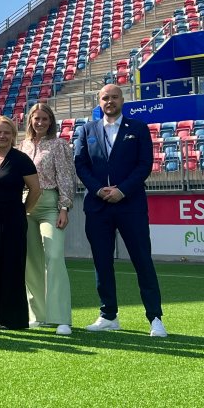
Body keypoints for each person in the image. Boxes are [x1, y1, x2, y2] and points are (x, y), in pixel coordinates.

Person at [74, 84, 167, 337]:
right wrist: (98, 190)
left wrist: (122, 190)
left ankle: (155, 317)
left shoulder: (138, 128)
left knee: (142, 261)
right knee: (102, 263)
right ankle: (108, 315)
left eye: (114, 97)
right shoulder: (86, 130)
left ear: (122, 99)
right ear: (99, 101)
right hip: (97, 207)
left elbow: (144, 165)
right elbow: (80, 165)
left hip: (130, 205)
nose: (110, 101)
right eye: (105, 97)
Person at [0, 115, 41, 330]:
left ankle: (12, 319)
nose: (2, 136)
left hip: (13, 217)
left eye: (7, 132)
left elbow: (35, 190)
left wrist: (22, 210)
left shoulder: (21, 159)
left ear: (13, 136)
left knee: (11, 267)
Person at [18, 103, 74, 335]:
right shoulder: (23, 145)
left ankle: (61, 317)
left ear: (51, 122)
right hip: (25, 205)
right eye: (36, 118)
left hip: (50, 204)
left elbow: (66, 177)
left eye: (44, 119)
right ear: (30, 120)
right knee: (31, 262)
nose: (40, 122)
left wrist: (64, 208)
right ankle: (37, 315)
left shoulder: (59, 145)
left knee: (54, 256)